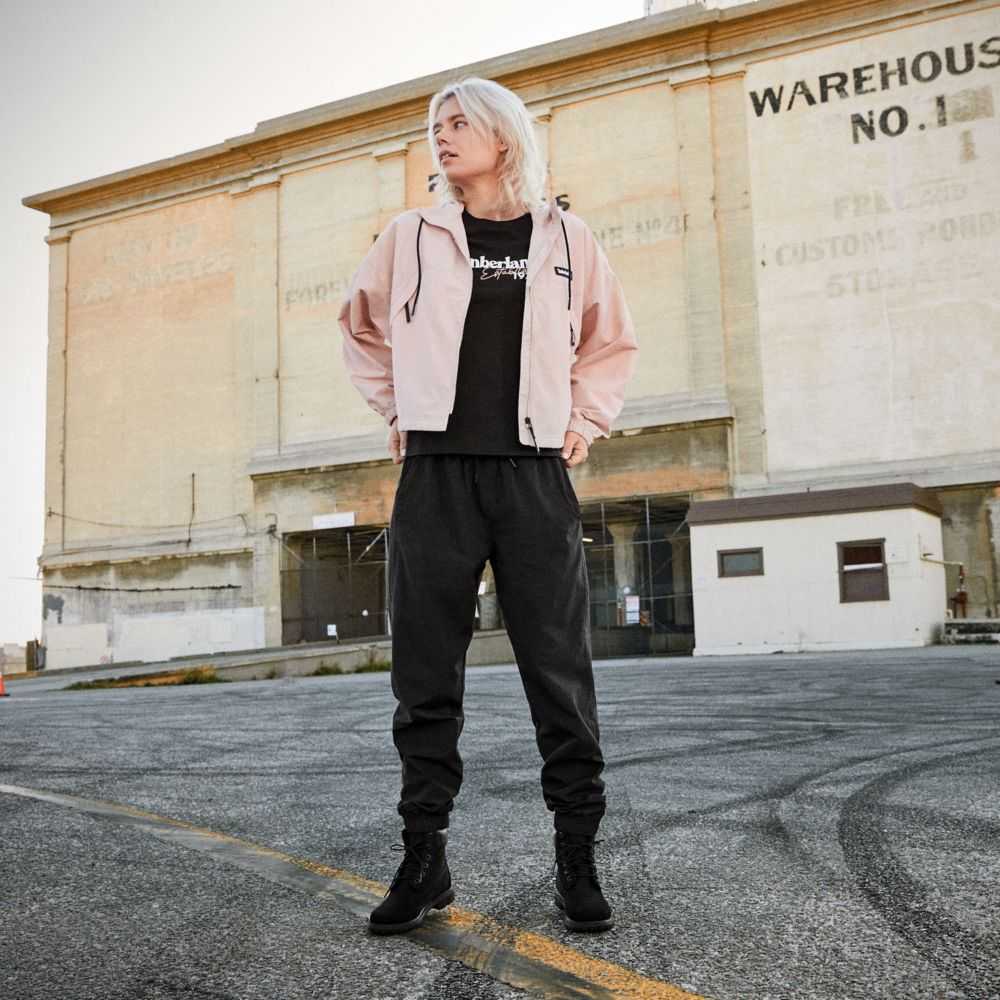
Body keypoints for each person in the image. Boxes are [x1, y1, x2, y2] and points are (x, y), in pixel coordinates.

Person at [338, 76, 638, 935]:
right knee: (425, 674)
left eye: (460, 122)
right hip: (436, 475)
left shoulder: (567, 237)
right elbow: (359, 327)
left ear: (504, 135)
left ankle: (577, 856)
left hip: (533, 476)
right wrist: (396, 408)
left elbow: (609, 340)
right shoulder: (411, 235)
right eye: (436, 125)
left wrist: (584, 418)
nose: (442, 135)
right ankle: (423, 857)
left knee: (558, 671)